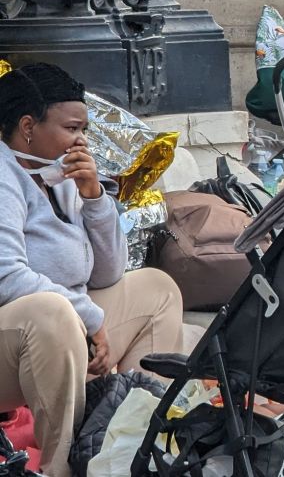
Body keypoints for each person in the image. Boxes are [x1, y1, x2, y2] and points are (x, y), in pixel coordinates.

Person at [0, 63, 184, 477]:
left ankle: (126, 435)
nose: (82, 140)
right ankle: (61, 464)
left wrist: (96, 198)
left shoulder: (59, 176)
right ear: (28, 126)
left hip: (67, 336)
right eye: (72, 128)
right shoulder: (3, 175)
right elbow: (6, 276)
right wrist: (90, 318)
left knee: (157, 288)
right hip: (20, 339)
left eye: (84, 128)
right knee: (52, 311)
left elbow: (108, 275)